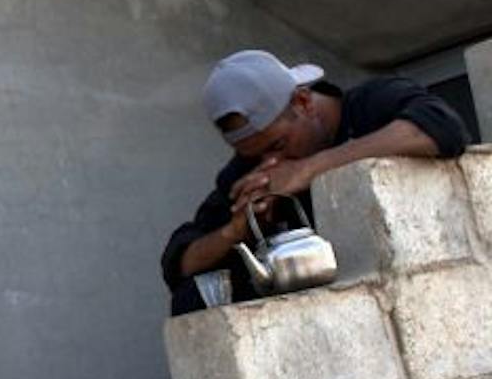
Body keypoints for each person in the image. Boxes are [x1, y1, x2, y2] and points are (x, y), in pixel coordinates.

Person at [161, 49, 469, 316]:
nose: (270, 163)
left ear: (303, 102)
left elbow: (441, 127)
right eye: (255, 155)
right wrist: (236, 230)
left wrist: (308, 169)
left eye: (277, 146)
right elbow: (182, 263)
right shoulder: (250, 167)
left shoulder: (371, 103)